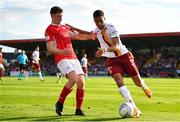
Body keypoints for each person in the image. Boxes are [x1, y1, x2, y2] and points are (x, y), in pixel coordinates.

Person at [66, 10, 152, 118]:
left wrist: (104, 50)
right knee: (118, 80)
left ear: (104, 18)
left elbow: (116, 46)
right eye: (96, 22)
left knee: (137, 81)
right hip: (112, 60)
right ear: (94, 21)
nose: (99, 24)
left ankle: (143, 86)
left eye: (100, 21)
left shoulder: (111, 27)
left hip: (124, 56)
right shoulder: (96, 30)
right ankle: (135, 108)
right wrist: (72, 27)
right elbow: (87, 33)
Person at [45, 6, 95, 116]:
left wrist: (90, 37)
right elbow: (50, 47)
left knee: (81, 82)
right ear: (52, 15)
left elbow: (78, 36)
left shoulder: (65, 28)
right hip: (61, 58)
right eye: (58, 16)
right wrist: (62, 52)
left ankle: (78, 109)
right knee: (73, 79)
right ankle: (60, 103)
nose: (61, 19)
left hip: (73, 58)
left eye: (62, 16)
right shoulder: (50, 29)